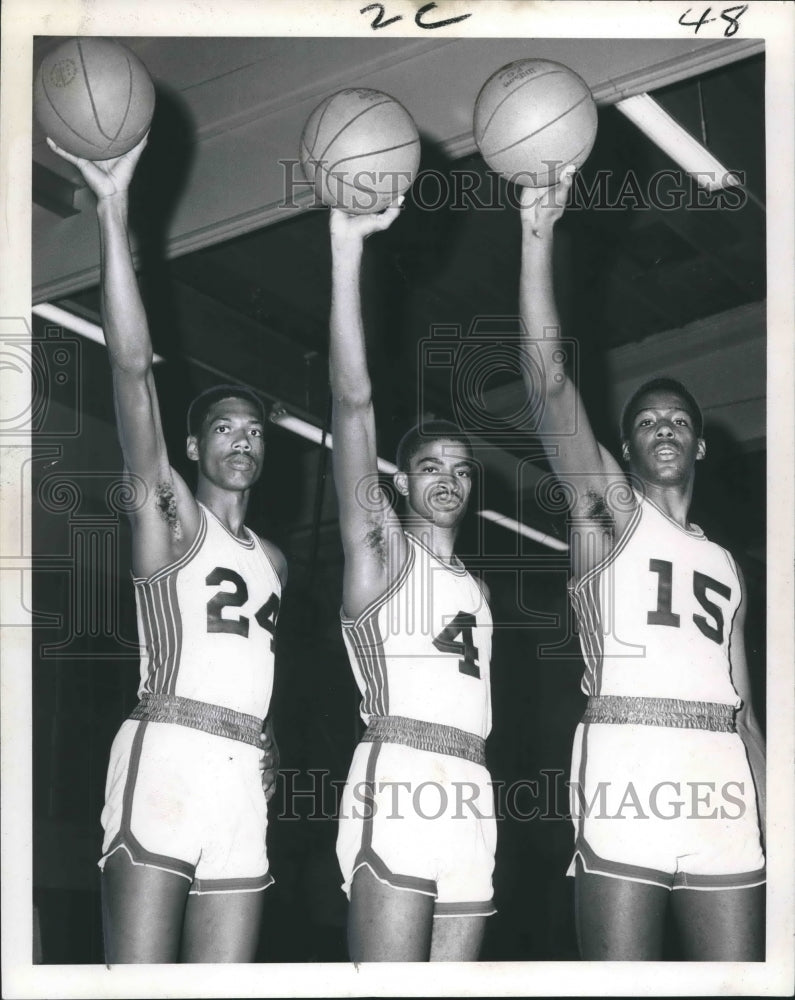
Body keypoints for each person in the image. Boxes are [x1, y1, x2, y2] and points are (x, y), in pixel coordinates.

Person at [48, 134, 287, 963]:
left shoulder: (275, 560)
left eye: (254, 430)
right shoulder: (172, 517)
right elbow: (130, 371)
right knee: (139, 984)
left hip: (241, 775)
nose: (242, 440)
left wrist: (267, 735)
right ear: (193, 449)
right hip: (167, 757)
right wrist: (114, 212)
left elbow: (246, 661)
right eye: (224, 427)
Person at [517, 166, 766, 960]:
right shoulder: (609, 514)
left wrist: (771, 808)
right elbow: (548, 381)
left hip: (722, 772)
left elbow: (744, 709)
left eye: (677, 419)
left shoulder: (727, 565)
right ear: (624, 449)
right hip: (626, 763)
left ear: (698, 443)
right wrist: (536, 231)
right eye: (646, 420)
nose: (663, 425)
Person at [327, 202, 496, 961]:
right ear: (400, 484)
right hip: (396, 778)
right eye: (430, 467)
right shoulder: (381, 553)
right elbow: (353, 405)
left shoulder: (477, 589)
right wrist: (346, 249)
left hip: (472, 785)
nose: (449, 480)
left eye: (462, 470)